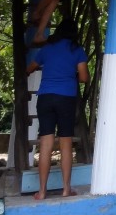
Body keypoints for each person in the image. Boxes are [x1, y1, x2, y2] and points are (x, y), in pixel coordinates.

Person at [26, 17, 89, 200]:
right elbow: (84, 77)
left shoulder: (48, 48)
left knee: (45, 145)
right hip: (66, 99)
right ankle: (66, 189)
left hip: (45, 98)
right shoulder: (76, 50)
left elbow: (30, 68)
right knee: (66, 145)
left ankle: (42, 191)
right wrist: (71, 77)